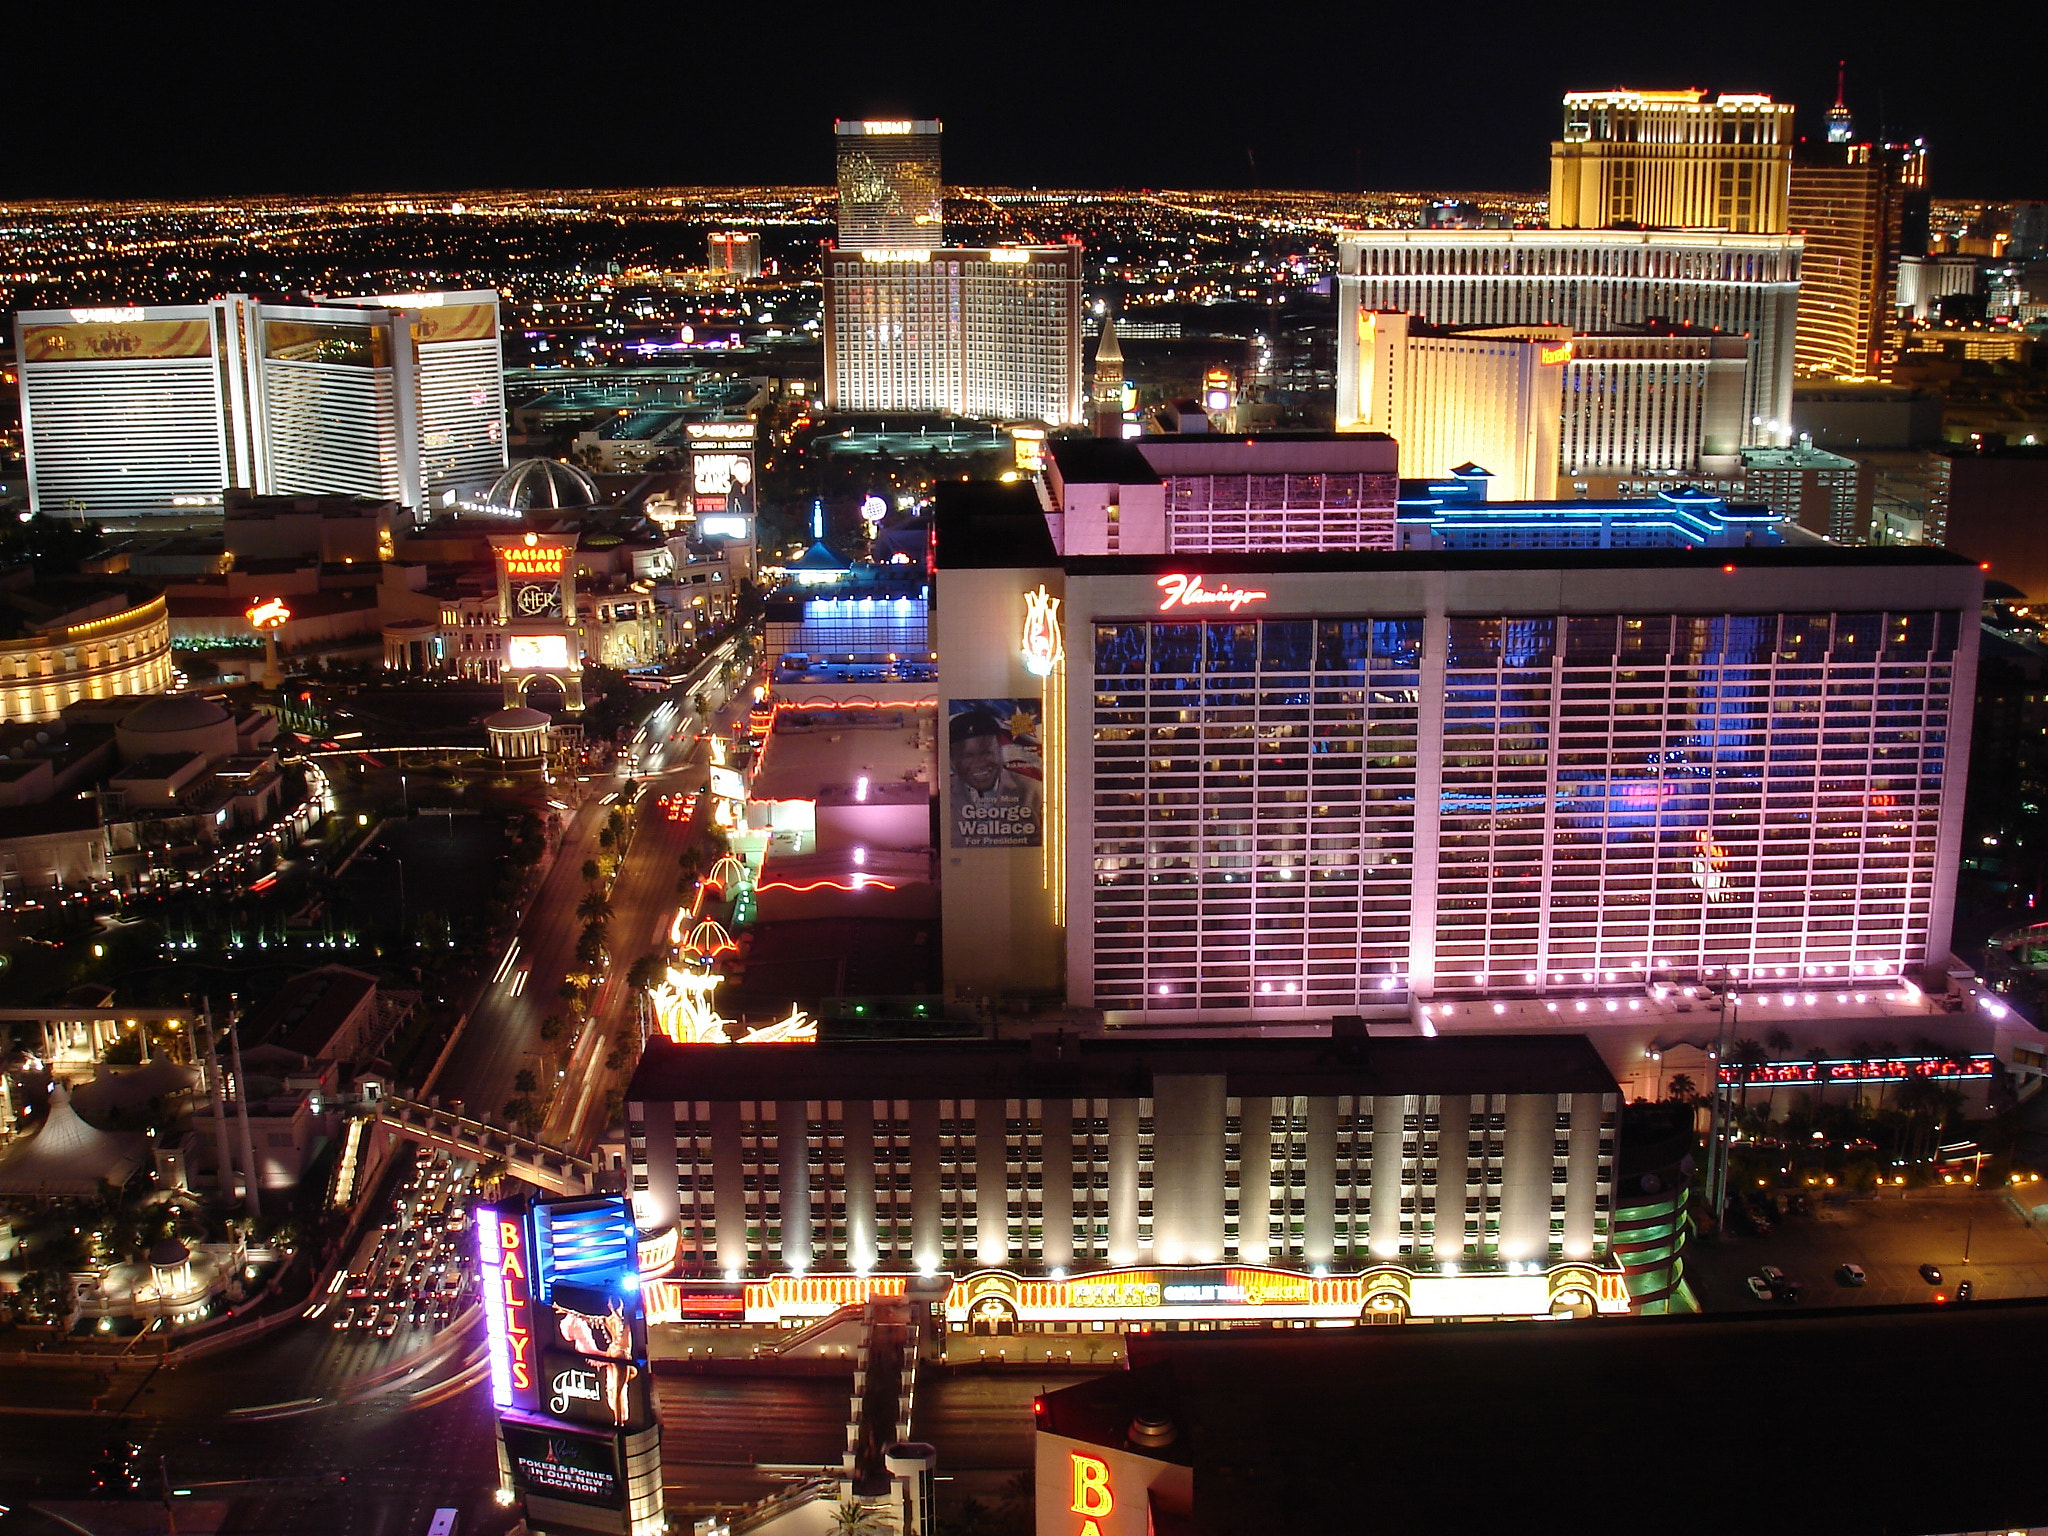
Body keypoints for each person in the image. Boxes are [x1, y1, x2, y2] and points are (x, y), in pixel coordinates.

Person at [949, 707, 1041, 844]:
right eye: (968, 756)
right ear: (953, 761)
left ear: (1000, 750)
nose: (979, 763)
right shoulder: (946, 795)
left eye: (986, 753)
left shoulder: (1034, 791)